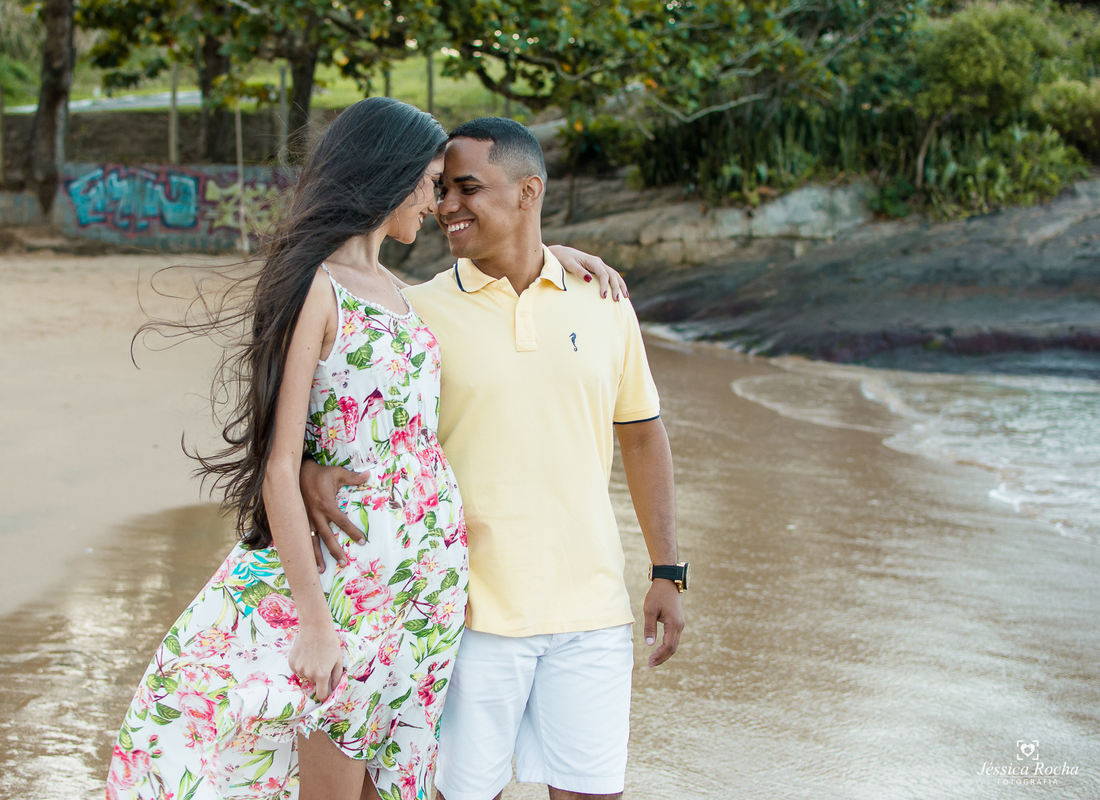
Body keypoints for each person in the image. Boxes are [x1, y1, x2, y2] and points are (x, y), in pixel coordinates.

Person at [106, 99, 625, 800]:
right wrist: (315, 621)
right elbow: (280, 468)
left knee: (396, 780)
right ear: (392, 175)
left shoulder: (413, 298)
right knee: (330, 777)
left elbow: (488, 308)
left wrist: (549, 257)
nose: (438, 203)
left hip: (429, 584)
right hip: (356, 579)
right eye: (432, 182)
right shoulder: (318, 289)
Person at [299, 117, 684, 800]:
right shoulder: (415, 313)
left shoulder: (604, 300)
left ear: (528, 190)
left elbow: (643, 434)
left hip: (591, 611)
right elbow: (348, 415)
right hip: (466, 613)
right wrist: (307, 468)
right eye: (440, 189)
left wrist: (667, 570)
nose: (446, 204)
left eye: (467, 188)